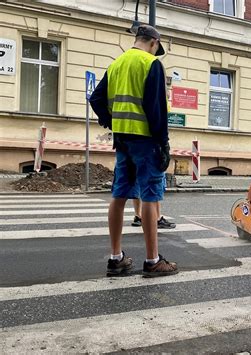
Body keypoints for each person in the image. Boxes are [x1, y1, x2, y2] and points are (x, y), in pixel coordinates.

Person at [90, 24, 178, 277]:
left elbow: (96, 98)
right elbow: (156, 108)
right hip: (147, 141)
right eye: (156, 49)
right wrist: (163, 142)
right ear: (153, 43)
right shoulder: (150, 64)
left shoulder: (116, 64)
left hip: (123, 140)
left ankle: (116, 257)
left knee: (119, 196)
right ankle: (152, 261)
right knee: (151, 196)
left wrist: (110, 121)